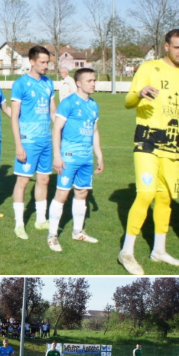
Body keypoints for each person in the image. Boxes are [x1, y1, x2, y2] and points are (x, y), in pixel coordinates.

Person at [120, 29, 179, 274]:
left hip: (175, 143)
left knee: (166, 198)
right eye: (177, 46)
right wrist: (140, 94)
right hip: (147, 140)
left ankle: (159, 250)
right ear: (166, 46)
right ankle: (126, 252)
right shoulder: (149, 68)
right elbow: (128, 101)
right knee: (146, 193)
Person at [48, 68, 102, 252]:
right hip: (69, 156)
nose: (93, 83)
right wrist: (57, 155)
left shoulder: (94, 105)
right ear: (78, 83)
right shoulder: (68, 103)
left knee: (82, 193)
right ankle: (52, 235)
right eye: (89, 80)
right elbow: (56, 129)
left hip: (86, 158)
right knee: (62, 194)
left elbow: (94, 131)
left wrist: (99, 154)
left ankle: (77, 231)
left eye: (94, 80)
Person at [9, 45, 56, 240]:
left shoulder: (49, 83)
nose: (46, 66)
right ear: (32, 61)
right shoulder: (20, 84)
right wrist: (19, 145)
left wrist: (61, 129)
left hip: (46, 140)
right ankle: (19, 224)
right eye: (42, 62)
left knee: (44, 179)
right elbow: (14, 117)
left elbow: (53, 112)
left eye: (47, 62)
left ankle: (40, 219)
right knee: (23, 180)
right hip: (28, 141)